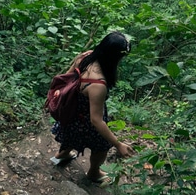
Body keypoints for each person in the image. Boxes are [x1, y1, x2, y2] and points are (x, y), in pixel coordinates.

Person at [50, 32, 135, 185]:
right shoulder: (98, 85)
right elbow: (96, 120)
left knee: (69, 133)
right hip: (85, 118)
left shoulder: (85, 56)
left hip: (71, 110)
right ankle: (94, 172)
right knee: (101, 146)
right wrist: (118, 144)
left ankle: (63, 154)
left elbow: (67, 77)